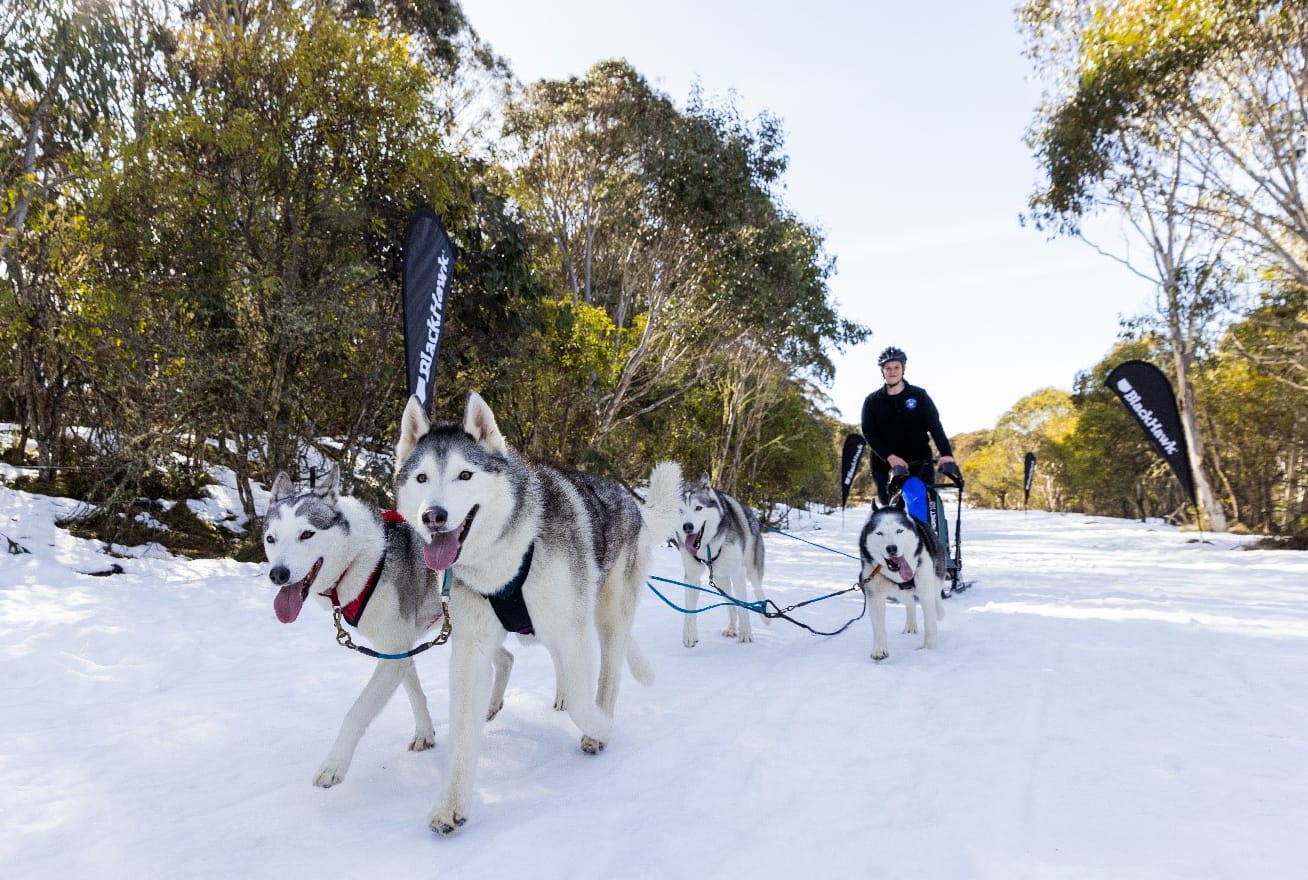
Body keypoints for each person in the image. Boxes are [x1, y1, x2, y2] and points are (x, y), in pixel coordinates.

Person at [860, 345, 958, 505]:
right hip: (885, 464)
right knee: (891, 512)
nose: (892, 371)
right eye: (888, 368)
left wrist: (946, 454)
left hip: (919, 462)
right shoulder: (872, 401)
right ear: (882, 371)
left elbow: (935, 427)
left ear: (903, 368)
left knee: (923, 509)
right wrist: (890, 457)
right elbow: (869, 433)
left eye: (896, 367)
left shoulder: (919, 395)